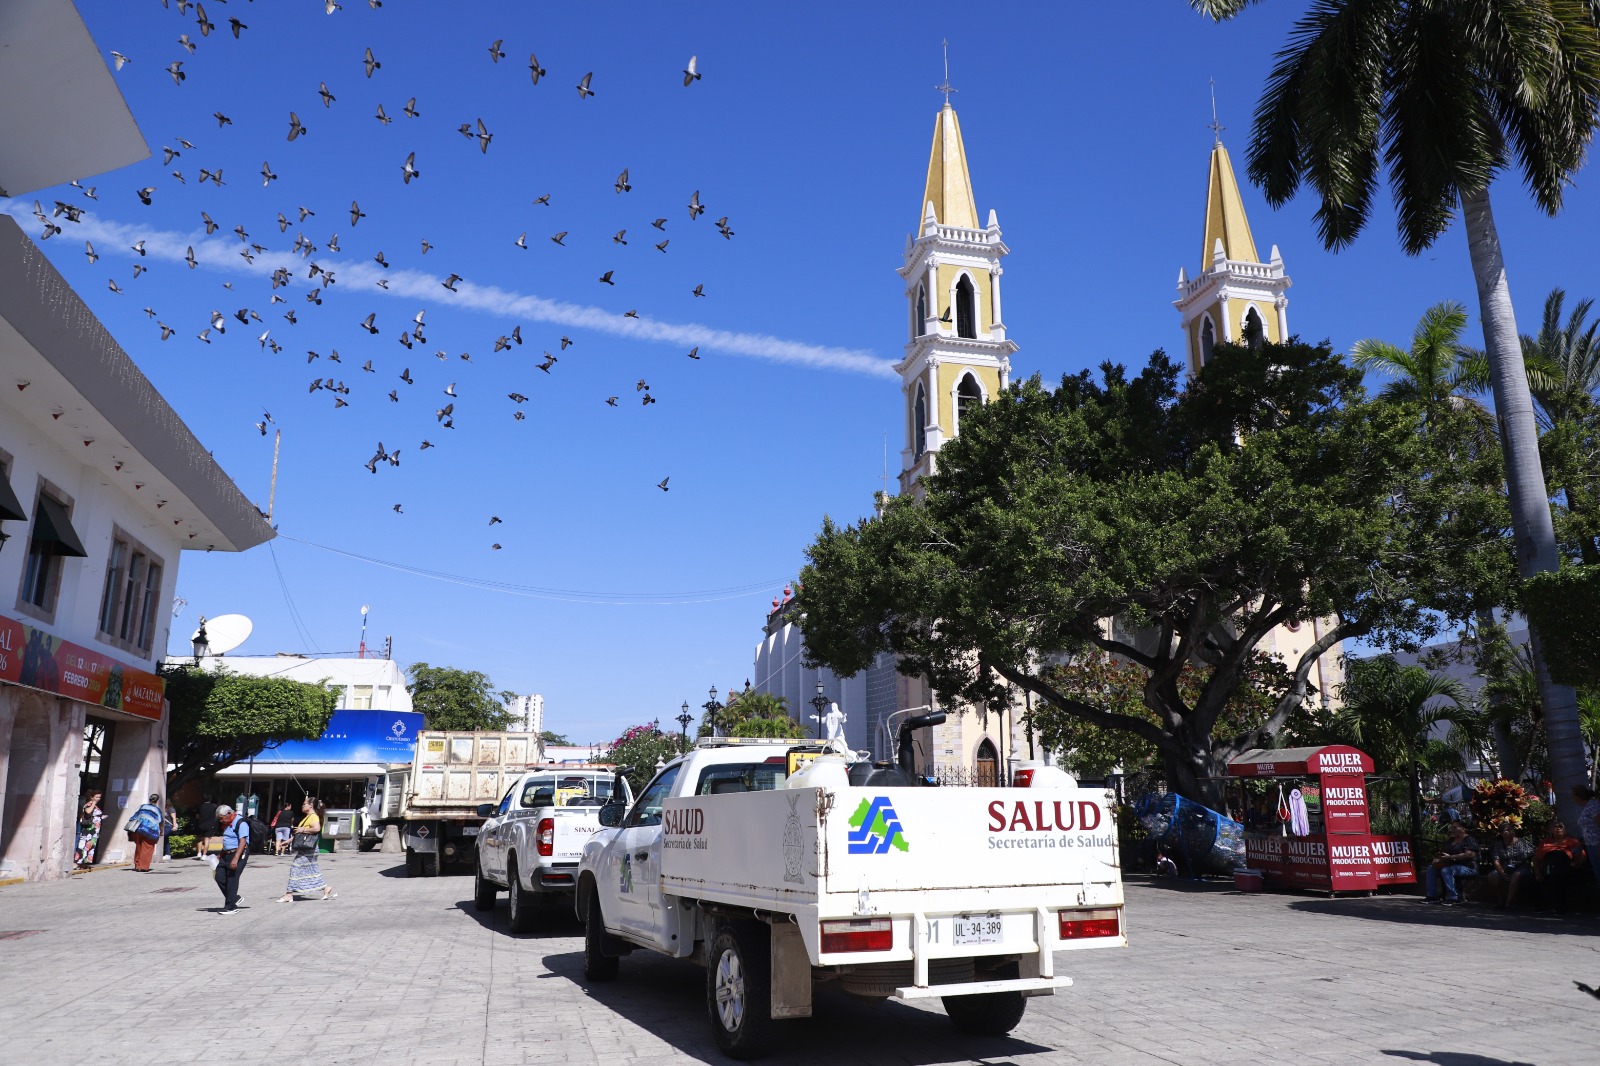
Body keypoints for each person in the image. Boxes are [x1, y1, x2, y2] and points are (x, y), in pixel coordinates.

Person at [276, 798, 336, 903]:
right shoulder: (308, 817)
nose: (302, 806)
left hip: (309, 849)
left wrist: (303, 829)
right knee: (312, 870)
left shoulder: (313, 817)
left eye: (304, 804)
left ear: (311, 805)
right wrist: (289, 841)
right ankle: (326, 888)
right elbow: (300, 834)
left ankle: (289, 894)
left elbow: (316, 829)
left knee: (295, 867)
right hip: (307, 848)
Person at [1532, 819, 1587, 911]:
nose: (1558, 829)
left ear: (1564, 829)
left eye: (1560, 827)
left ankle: (1559, 906)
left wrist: (1573, 865)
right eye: (1555, 827)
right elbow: (1536, 859)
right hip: (1547, 869)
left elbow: (1581, 856)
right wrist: (1537, 873)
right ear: (1550, 830)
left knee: (1558, 872)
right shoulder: (1545, 842)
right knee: (1549, 875)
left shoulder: (1571, 841)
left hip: (1565, 869)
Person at [1424, 820, 1480, 905]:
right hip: (1451, 865)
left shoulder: (1469, 839)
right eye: (1452, 828)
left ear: (1463, 829)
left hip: (1468, 867)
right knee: (1431, 869)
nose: (1452, 830)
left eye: (1455, 827)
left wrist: (1451, 857)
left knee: (1446, 870)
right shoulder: (1451, 840)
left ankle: (1454, 897)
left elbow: (1470, 854)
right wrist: (1438, 859)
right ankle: (1432, 896)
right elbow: (1445, 853)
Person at [213, 804, 250, 914]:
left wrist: (235, 859)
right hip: (226, 853)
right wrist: (221, 853)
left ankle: (230, 907)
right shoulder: (228, 823)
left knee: (232, 879)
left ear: (229, 814)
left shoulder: (241, 823)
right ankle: (234, 898)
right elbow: (227, 840)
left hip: (238, 853)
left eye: (221, 818)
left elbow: (243, 842)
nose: (221, 821)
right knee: (219, 876)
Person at [1486, 826, 1534, 909]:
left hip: (1521, 868)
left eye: (1511, 829)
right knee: (1491, 876)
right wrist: (1502, 873)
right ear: (1501, 834)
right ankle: (1500, 901)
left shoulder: (1522, 842)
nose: (1510, 831)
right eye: (1507, 830)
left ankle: (1508, 904)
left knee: (1516, 875)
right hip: (1505, 868)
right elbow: (1496, 860)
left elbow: (1534, 852)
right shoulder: (1498, 845)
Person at [127, 793, 164, 872]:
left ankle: (137, 865)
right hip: (150, 831)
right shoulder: (157, 810)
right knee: (147, 848)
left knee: (139, 847)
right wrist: (161, 831)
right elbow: (160, 821)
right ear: (157, 801)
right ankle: (143, 866)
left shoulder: (142, 807)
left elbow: (134, 816)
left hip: (138, 829)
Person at [1573, 785, 1600, 884]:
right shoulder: (1587, 807)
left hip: (1597, 843)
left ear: (1578, 796)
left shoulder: (1593, 805)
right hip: (1590, 844)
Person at [73, 791, 103, 869]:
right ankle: (79, 862)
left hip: (94, 830)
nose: (98, 799)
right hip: (89, 829)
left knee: (90, 846)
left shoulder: (96, 806)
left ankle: (84, 863)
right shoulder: (89, 804)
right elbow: (88, 811)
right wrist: (93, 803)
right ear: (92, 797)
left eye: (99, 797)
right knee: (84, 845)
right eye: (96, 797)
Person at [193, 795, 219, 861]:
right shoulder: (214, 807)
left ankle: (199, 853)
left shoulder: (200, 806)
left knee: (199, 840)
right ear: (210, 800)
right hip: (209, 825)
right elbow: (216, 816)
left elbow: (197, 816)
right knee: (207, 839)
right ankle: (204, 855)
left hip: (201, 825)